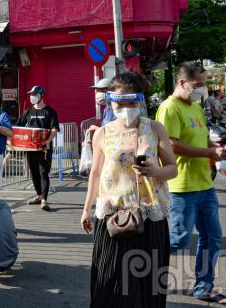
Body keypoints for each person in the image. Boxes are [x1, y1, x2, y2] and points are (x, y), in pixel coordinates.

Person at [80, 73, 177, 308]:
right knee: (110, 281)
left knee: (148, 282)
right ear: (110, 102)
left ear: (140, 101)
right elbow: (96, 173)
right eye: (119, 103)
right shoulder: (102, 133)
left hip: (150, 216)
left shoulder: (154, 128)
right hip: (113, 217)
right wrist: (86, 210)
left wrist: (155, 171)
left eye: (131, 103)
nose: (125, 109)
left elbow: (172, 168)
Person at [156, 62, 226, 306]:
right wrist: (208, 153)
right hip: (183, 187)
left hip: (205, 185)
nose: (203, 90)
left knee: (212, 236)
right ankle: (134, 269)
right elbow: (172, 145)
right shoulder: (170, 108)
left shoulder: (196, 108)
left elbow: (202, 141)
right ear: (182, 83)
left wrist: (218, 150)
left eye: (204, 85)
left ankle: (204, 288)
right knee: (178, 239)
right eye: (198, 85)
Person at [16, 85, 59, 211]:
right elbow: (19, 128)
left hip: (45, 148)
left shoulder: (50, 112)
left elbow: (55, 128)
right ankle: (38, 195)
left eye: (34, 94)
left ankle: (44, 199)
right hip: (30, 149)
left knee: (43, 173)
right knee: (34, 173)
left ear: (41, 96)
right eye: (30, 95)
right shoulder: (27, 112)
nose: (32, 97)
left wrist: (48, 140)